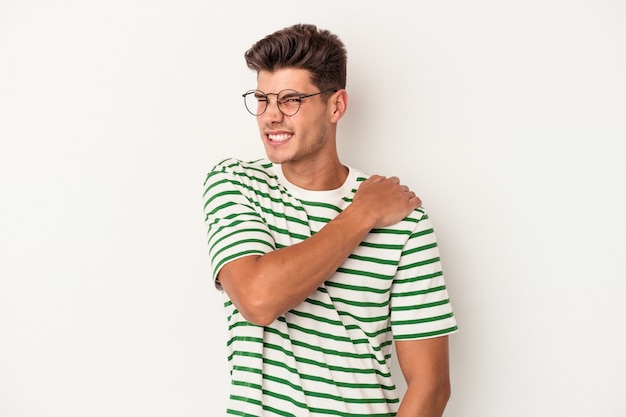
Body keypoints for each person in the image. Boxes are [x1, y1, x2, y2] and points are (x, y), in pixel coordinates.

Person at [202, 23, 458, 417]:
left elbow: (431, 385)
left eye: (290, 100)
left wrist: (373, 210)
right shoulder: (235, 183)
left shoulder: (404, 220)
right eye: (262, 99)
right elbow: (257, 299)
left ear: (336, 105)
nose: (271, 116)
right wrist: (362, 214)